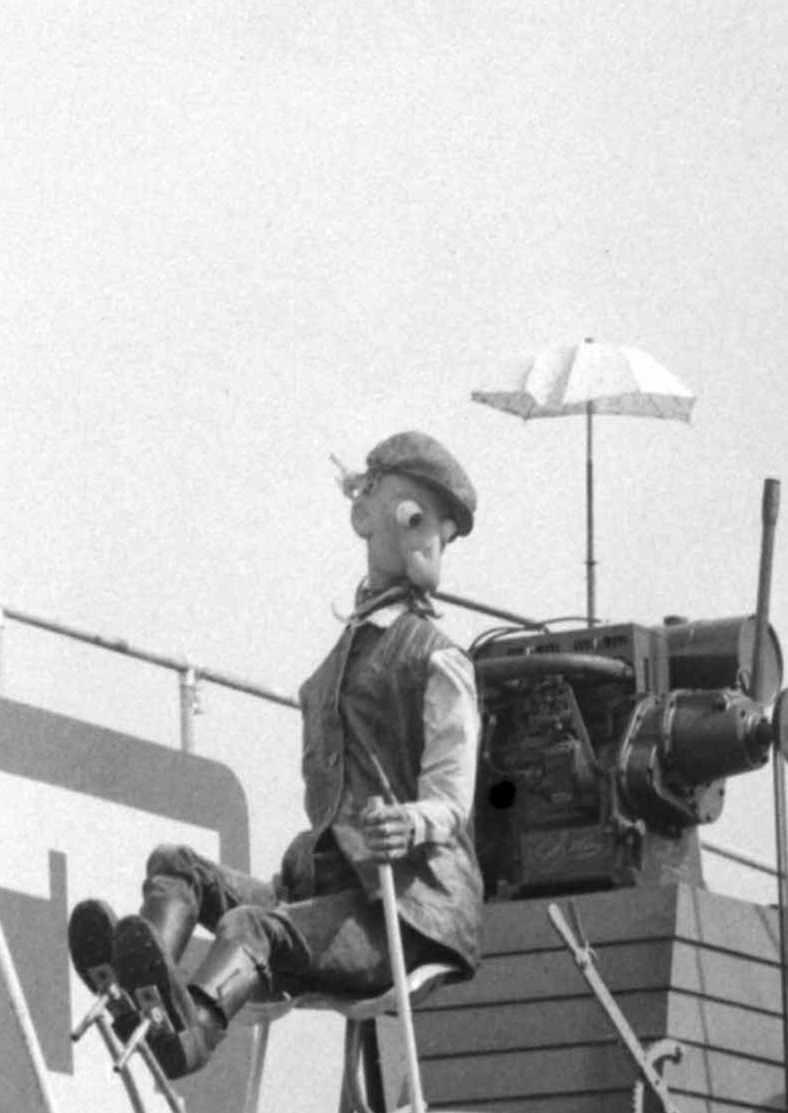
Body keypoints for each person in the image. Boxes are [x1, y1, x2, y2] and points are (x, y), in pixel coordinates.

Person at [71, 431, 486, 1077]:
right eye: (415, 516)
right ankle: (146, 976)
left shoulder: (437, 657)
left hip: (404, 909)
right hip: (328, 887)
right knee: (176, 865)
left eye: (440, 529)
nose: (427, 541)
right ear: (365, 513)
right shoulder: (346, 655)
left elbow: (451, 796)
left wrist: (410, 821)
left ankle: (193, 1033)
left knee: (248, 929)